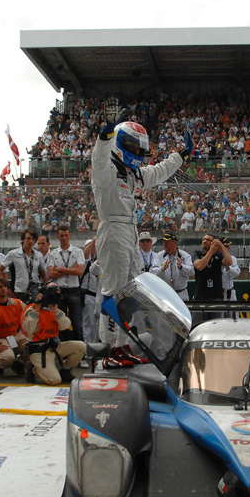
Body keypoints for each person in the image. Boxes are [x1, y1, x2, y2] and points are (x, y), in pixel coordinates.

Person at [91, 101, 187, 349]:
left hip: (130, 231)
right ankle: (109, 348)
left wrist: (181, 156)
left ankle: (122, 346)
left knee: (131, 291)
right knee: (112, 291)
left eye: (140, 147)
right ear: (120, 142)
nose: (137, 151)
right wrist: (105, 134)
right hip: (112, 230)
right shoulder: (106, 172)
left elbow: (157, 171)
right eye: (133, 145)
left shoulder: (131, 173)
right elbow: (99, 159)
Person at [20, 284, 85, 385]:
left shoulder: (54, 310)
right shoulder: (32, 309)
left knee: (80, 346)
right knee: (55, 380)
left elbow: (65, 325)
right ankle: (33, 367)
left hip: (54, 345)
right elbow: (29, 328)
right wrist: (37, 308)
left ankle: (65, 370)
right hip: (39, 350)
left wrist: (55, 309)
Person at [46, 225, 85, 341]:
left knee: (77, 324)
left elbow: (79, 271)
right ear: (57, 236)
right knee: (61, 324)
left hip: (74, 291)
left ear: (70, 236)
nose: (64, 238)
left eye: (66, 235)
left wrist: (60, 268)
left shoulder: (77, 251)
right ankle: (64, 352)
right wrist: (70, 269)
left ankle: (81, 353)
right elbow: (50, 274)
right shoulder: (53, 253)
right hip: (59, 291)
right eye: (61, 235)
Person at [0, 229, 46, 303]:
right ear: (23, 239)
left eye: (33, 239)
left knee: (33, 314)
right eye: (28, 238)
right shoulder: (13, 254)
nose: (30, 241)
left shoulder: (38, 255)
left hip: (34, 293)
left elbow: (43, 274)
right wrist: (6, 289)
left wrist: (44, 291)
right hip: (18, 294)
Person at [193, 233, 233, 303]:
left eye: (208, 240)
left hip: (216, 295)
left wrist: (221, 245)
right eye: (204, 239)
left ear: (213, 243)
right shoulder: (197, 253)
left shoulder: (218, 255)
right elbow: (199, 266)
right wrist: (211, 251)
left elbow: (229, 262)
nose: (205, 241)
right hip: (200, 294)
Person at [156, 232, 194, 302]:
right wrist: (162, 269)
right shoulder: (159, 256)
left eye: (167, 242)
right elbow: (152, 271)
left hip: (181, 294)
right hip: (165, 294)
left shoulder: (185, 255)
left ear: (174, 242)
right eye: (163, 242)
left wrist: (181, 267)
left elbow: (192, 271)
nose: (164, 244)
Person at [80, 240, 102, 344]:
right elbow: (85, 254)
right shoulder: (84, 261)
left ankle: (94, 345)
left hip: (97, 296)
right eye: (90, 246)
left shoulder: (97, 262)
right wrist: (93, 241)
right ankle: (87, 346)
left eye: (94, 246)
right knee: (88, 323)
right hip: (88, 295)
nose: (93, 248)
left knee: (96, 324)